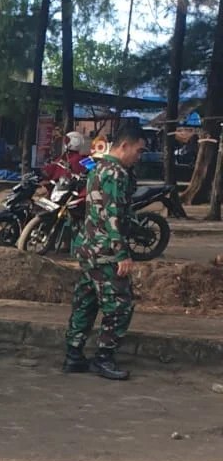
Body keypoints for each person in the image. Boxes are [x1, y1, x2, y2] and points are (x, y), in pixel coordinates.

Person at [62, 117, 146, 383]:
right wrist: (122, 253)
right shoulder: (115, 173)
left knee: (86, 301)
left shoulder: (98, 168)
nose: (139, 156)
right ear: (124, 145)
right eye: (139, 150)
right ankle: (104, 357)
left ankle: (73, 354)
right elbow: (113, 215)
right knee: (120, 304)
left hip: (88, 248)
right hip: (106, 251)